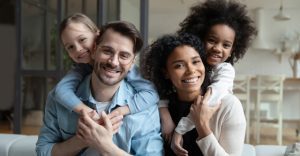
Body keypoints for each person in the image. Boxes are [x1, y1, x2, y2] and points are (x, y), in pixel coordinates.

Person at [36, 21, 163, 156]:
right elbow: (43, 151)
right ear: (95, 49)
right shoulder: (59, 99)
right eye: (107, 51)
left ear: (132, 62)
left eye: (124, 56)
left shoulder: (145, 107)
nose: (113, 62)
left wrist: (105, 146)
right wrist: (80, 140)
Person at [157, 0, 257, 154]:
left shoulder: (224, 74)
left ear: (232, 50)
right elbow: (157, 90)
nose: (217, 48)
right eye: (211, 40)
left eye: (226, 45)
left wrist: (184, 128)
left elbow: (206, 103)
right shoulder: (170, 95)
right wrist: (164, 112)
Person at [140, 32, 246, 156]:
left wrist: (202, 127)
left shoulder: (228, 106)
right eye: (179, 65)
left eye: (195, 62)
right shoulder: (159, 110)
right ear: (166, 73)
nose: (191, 70)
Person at [55, 13, 159, 120]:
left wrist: (121, 111)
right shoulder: (80, 69)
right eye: (70, 47)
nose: (78, 49)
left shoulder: (126, 68)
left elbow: (151, 93)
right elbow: (61, 91)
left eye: (82, 40)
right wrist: (88, 112)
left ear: (97, 36)